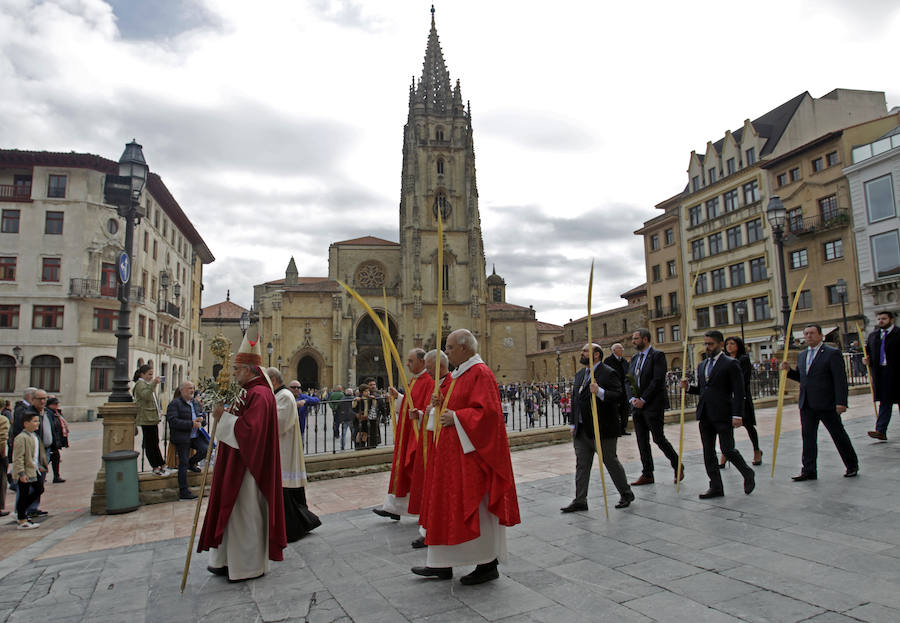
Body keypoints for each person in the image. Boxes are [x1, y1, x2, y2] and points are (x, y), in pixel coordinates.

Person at [413, 329, 520, 586]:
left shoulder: (480, 373)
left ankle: (486, 564)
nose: (446, 352)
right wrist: (440, 403)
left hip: (472, 461)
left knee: (475, 508)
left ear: (464, 348)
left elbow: (490, 414)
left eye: (449, 347)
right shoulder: (460, 374)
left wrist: (458, 418)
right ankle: (441, 562)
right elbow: (456, 404)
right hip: (452, 457)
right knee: (445, 506)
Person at [198, 334, 286, 582]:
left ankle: (246, 566)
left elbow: (250, 432)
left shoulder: (259, 394)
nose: (233, 373)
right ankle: (224, 560)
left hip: (248, 471)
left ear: (249, 370)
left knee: (244, 516)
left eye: (236, 369)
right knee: (232, 514)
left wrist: (222, 418)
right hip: (236, 464)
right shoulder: (247, 391)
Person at [681, 331, 755, 499]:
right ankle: (715, 486)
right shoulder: (702, 365)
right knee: (708, 452)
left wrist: (737, 414)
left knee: (727, 449)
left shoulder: (730, 363)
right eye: (706, 344)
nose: (707, 347)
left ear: (720, 344)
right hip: (705, 414)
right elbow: (703, 389)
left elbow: (739, 390)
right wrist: (689, 388)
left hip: (723, 413)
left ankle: (747, 472)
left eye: (711, 344)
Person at [561, 343, 634, 512]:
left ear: (596, 355)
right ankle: (580, 499)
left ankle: (626, 492)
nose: (582, 353)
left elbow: (618, 396)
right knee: (582, 465)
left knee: (610, 461)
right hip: (581, 430)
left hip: (602, 428)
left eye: (586, 351)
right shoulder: (580, 375)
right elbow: (575, 401)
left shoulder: (608, 373)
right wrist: (572, 423)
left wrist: (600, 391)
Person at [782, 324, 859, 481]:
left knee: (838, 435)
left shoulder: (832, 353)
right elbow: (803, 378)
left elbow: (840, 380)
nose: (808, 336)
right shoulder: (802, 355)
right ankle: (809, 470)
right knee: (808, 437)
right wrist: (789, 371)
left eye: (811, 333)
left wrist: (841, 402)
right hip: (807, 404)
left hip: (827, 403)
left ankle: (851, 465)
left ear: (820, 336)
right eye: (806, 333)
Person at [374, 348, 435, 521]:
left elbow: (428, 408)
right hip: (407, 432)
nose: (407, 364)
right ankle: (394, 507)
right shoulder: (415, 380)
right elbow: (410, 402)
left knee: (410, 469)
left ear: (422, 362)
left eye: (410, 361)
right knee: (401, 469)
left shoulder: (429, 381)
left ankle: (399, 508)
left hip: (416, 434)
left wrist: (420, 414)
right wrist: (399, 397)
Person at [625, 329, 683, 486]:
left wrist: (644, 399)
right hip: (637, 406)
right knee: (641, 440)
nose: (633, 341)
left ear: (645, 339)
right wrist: (632, 398)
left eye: (636, 338)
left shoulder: (657, 356)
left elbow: (657, 380)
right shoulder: (635, 358)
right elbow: (628, 380)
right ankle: (647, 473)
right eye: (633, 338)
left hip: (652, 405)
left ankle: (677, 464)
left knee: (658, 438)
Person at [269, 368, 321, 542]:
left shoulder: (283, 395)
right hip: (282, 450)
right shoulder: (281, 395)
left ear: (273, 380)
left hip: (284, 452)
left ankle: (294, 528)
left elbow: (279, 423)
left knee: (287, 494)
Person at [723, 336, 762, 466]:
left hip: (742, 397)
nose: (729, 346)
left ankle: (756, 450)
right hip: (728, 398)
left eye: (732, 343)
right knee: (727, 428)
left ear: (738, 345)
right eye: (727, 344)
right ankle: (726, 452)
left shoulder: (743, 359)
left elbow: (743, 379)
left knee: (748, 425)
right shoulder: (724, 360)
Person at [166, 381, 208, 501]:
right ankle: (184, 491)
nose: (192, 390)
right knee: (183, 463)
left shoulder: (195, 403)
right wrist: (191, 424)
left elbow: (202, 417)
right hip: (182, 437)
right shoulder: (175, 404)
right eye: (189, 388)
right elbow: (173, 421)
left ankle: (192, 463)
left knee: (206, 449)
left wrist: (201, 420)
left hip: (195, 436)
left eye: (193, 388)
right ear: (182, 390)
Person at [865, 310, 900, 440]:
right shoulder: (873, 336)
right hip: (882, 374)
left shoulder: (898, 333)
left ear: (891, 320)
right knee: (885, 402)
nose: (880, 321)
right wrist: (867, 360)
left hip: (897, 372)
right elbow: (868, 352)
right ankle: (881, 430)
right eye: (879, 319)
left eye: (883, 319)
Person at [11, 411, 47, 530]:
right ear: (26, 423)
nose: (37, 424)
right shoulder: (22, 438)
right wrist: (21, 473)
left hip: (33, 469)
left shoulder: (34, 436)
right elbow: (18, 457)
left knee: (38, 489)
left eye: (38, 421)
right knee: (24, 494)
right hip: (25, 471)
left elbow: (35, 454)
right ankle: (22, 519)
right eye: (34, 421)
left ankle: (21, 512)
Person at [132, 365, 168, 476]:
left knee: (154, 442)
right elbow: (146, 396)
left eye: (152, 374)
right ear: (142, 374)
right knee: (150, 443)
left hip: (152, 418)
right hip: (146, 419)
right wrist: (154, 383)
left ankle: (161, 464)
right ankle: (155, 466)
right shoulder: (140, 384)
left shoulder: (146, 384)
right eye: (149, 374)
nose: (151, 377)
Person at [604, 343, 631, 435]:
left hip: (624, 389)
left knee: (625, 410)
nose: (622, 350)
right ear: (614, 350)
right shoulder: (608, 361)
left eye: (622, 349)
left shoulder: (624, 361)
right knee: (615, 410)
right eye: (620, 349)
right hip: (614, 389)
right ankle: (616, 430)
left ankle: (623, 429)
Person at [42, 397, 68, 483]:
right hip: (51, 440)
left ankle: (56, 476)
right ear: (50, 405)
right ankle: (43, 475)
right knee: (47, 459)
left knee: (54, 458)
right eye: (55, 404)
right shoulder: (48, 414)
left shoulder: (56, 413)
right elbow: (51, 427)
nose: (57, 405)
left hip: (54, 440)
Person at [0, 403, 9, 517]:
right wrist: (3, 456)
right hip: (0, 457)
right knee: (1, 480)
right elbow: (2, 439)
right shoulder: (2, 420)